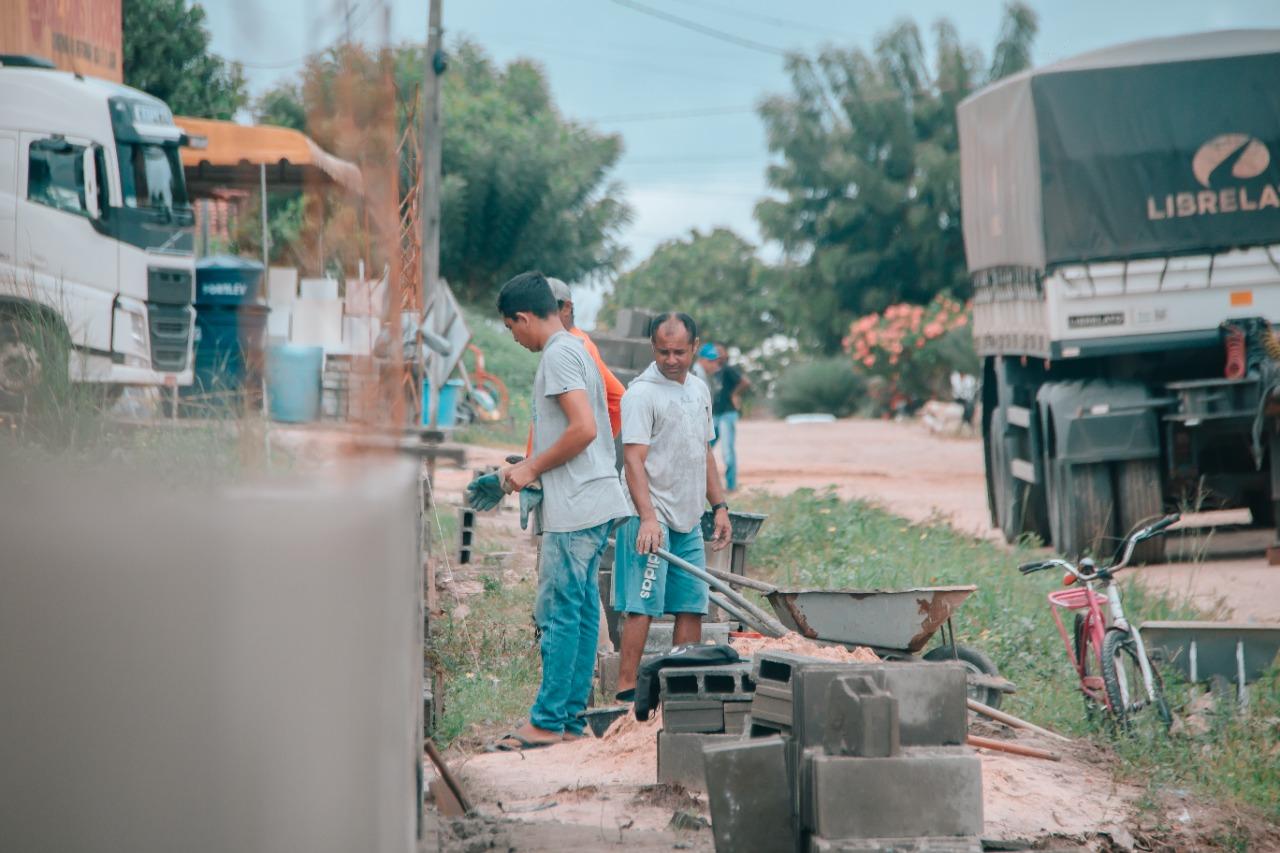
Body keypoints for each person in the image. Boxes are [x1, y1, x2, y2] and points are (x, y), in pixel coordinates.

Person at [490, 271, 630, 750]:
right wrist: (530, 465)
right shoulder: (575, 347)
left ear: (524, 318)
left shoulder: (558, 356)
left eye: (512, 328)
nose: (514, 336)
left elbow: (584, 429)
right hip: (590, 499)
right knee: (583, 607)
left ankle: (547, 721)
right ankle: (569, 717)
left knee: (559, 611)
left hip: (576, 506)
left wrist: (531, 468)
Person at [613, 313, 732, 701]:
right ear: (653, 347)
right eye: (663, 351)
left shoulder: (698, 390)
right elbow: (632, 460)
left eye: (680, 351)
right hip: (650, 517)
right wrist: (648, 518)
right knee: (641, 607)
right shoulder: (641, 394)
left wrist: (720, 507)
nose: (671, 360)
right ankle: (627, 691)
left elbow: (704, 451)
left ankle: (680, 692)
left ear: (695, 347)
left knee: (690, 607)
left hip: (687, 519)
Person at [700, 342, 750, 491]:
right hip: (715, 413)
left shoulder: (728, 370)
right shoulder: (712, 372)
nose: (718, 354)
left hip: (727, 413)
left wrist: (734, 394)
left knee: (727, 450)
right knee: (705, 448)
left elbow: (745, 382)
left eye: (721, 352)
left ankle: (731, 485)